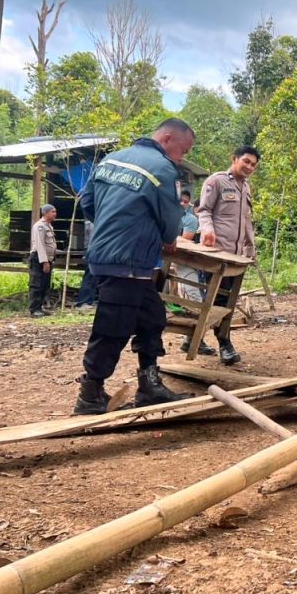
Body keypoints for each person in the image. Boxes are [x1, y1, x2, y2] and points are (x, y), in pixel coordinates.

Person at [72, 119, 196, 415]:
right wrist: (166, 238)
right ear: (167, 138)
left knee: (152, 317)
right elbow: (170, 221)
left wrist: (109, 226)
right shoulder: (164, 169)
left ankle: (149, 386)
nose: (182, 157)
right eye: (183, 150)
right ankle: (90, 394)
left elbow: (87, 202)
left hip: (110, 256)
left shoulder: (110, 160)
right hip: (127, 260)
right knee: (113, 326)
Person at [198, 146, 260, 365]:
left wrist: (250, 250)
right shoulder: (216, 181)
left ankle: (193, 338)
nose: (249, 167)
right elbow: (204, 210)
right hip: (215, 254)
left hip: (236, 257)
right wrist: (207, 230)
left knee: (227, 299)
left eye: (253, 164)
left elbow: (246, 221)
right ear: (234, 159)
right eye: (246, 161)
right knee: (217, 299)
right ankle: (224, 343)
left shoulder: (246, 188)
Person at [174, 190, 215, 356]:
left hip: (191, 262)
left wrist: (170, 238)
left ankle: (193, 341)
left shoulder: (190, 220)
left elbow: (184, 240)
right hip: (177, 261)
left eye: (185, 201)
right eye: (180, 200)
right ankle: (191, 341)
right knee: (190, 300)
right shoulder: (169, 215)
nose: (182, 204)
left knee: (195, 300)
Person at [28, 204, 57, 317]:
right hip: (38, 259)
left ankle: (39, 307)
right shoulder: (39, 226)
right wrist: (44, 262)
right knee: (36, 284)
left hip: (47, 259)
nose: (55, 214)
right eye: (52, 212)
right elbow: (40, 245)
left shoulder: (48, 226)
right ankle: (34, 309)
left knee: (44, 284)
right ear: (45, 213)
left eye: (55, 211)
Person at [74, 219, 98, 310]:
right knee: (89, 278)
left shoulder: (89, 223)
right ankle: (83, 301)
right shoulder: (92, 224)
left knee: (92, 278)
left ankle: (88, 300)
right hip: (93, 252)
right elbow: (93, 240)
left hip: (91, 252)